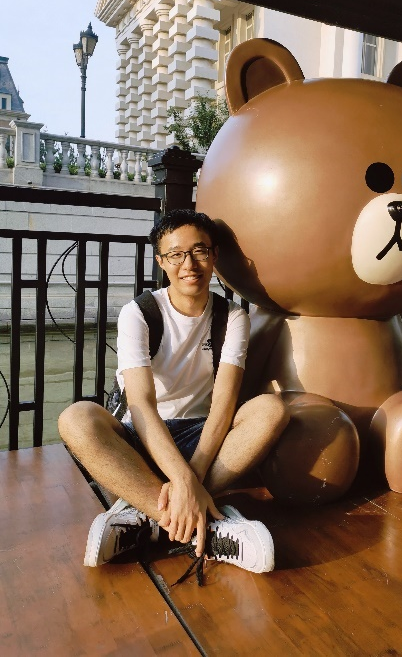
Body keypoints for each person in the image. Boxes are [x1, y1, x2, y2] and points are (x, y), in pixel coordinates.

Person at [58, 208, 288, 579]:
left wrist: (189, 480)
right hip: (141, 436)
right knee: (76, 419)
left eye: (199, 251)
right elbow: (141, 405)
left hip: (200, 438)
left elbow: (223, 406)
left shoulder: (232, 318)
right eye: (176, 254)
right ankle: (205, 523)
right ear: (161, 261)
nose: (189, 265)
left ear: (214, 255)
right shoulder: (140, 313)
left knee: (271, 410)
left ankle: (147, 516)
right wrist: (182, 483)